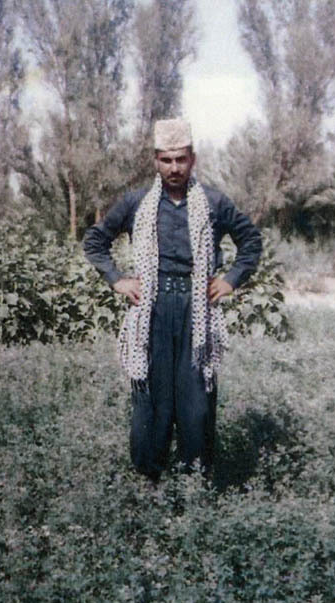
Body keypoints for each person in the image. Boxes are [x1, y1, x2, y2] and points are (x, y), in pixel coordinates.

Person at [83, 118, 262, 481]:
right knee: (152, 400)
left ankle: (195, 481)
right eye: (166, 160)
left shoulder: (213, 202)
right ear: (156, 161)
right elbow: (95, 242)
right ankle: (149, 482)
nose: (174, 168)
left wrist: (230, 281)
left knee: (197, 403)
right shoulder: (136, 202)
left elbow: (251, 242)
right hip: (151, 310)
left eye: (181, 159)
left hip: (197, 310)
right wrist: (117, 280)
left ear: (192, 159)